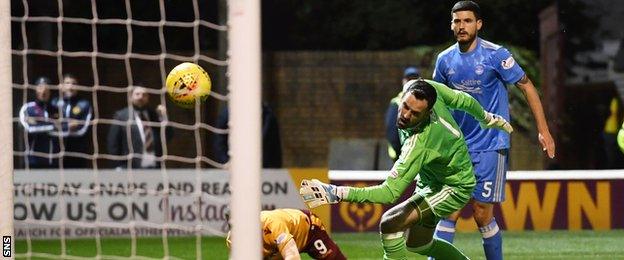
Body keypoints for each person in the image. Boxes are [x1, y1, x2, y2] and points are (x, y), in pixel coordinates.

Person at [300, 79, 513, 260]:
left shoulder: (420, 143)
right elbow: (462, 99)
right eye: (405, 106)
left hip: (453, 187)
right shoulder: (423, 87)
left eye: (415, 113)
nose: (405, 115)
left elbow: (388, 193)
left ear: (428, 113)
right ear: (403, 95)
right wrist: (486, 119)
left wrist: (335, 192)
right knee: (418, 245)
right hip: (430, 181)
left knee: (390, 223)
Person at [431, 1, 556, 259]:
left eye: (467, 21)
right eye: (457, 21)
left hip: (490, 145)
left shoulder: (496, 55)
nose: (461, 26)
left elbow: (527, 86)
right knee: (447, 210)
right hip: (456, 146)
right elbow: (436, 100)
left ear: (479, 24)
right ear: (451, 24)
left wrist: (544, 130)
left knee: (481, 213)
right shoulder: (444, 60)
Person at [225, 208, 346, 260]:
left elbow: (292, 256)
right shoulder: (233, 240)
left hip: (309, 231)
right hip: (275, 251)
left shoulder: (272, 224)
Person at [107, 86, 172, 169]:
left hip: (154, 168)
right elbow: (113, 143)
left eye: (144, 95)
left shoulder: (154, 116)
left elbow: (168, 136)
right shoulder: (121, 116)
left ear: (148, 98)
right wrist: (117, 166)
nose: (141, 97)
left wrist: (164, 118)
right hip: (130, 168)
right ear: (131, 97)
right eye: (137, 94)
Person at [214, 102, 282, 168]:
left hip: (264, 168)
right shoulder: (227, 114)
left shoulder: (268, 115)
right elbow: (219, 141)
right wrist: (226, 161)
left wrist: (275, 170)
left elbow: (275, 144)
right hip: (236, 166)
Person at [50, 73, 93, 168]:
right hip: (57, 150)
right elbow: (50, 127)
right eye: (67, 83)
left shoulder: (84, 104)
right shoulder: (53, 103)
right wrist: (68, 126)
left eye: (73, 83)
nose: (70, 86)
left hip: (78, 151)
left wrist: (60, 126)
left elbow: (83, 129)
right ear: (61, 86)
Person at [18, 77, 59, 168]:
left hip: (53, 161)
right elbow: (29, 128)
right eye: (40, 87)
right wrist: (52, 126)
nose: (43, 91)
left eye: (46, 88)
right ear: (35, 89)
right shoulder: (28, 108)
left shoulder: (56, 109)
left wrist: (38, 123)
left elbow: (63, 128)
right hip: (33, 161)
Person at [385, 66, 420, 162]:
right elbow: (392, 130)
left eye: (414, 79)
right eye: (409, 79)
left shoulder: (423, 102)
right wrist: (398, 153)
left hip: (419, 154)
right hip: (402, 155)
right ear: (403, 81)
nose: (411, 82)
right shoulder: (396, 103)